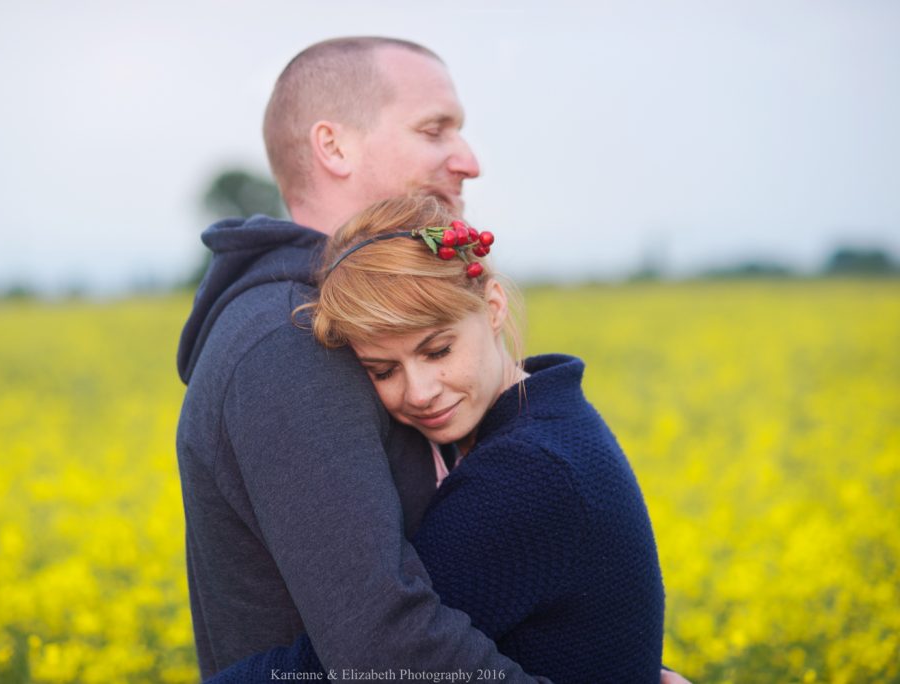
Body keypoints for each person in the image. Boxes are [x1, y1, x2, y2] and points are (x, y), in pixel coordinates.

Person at [177, 36, 690, 684]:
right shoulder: (290, 339)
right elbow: (384, 647)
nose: (468, 161)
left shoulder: (363, 320)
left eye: (434, 350)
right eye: (434, 129)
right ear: (333, 146)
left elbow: (489, 590)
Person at [207, 195, 668, 683]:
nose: (420, 392)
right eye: (383, 372)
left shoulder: (526, 473)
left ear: (492, 307)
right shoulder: (555, 422)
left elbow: (382, 659)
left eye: (438, 349)